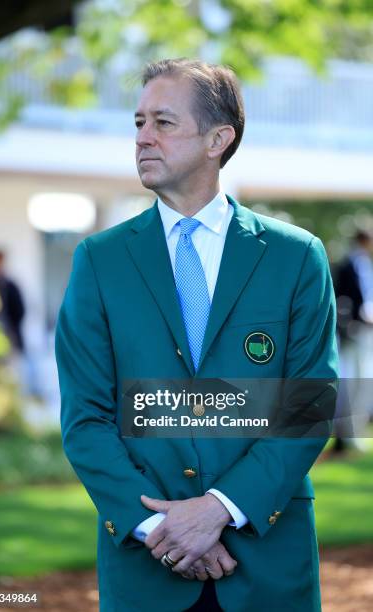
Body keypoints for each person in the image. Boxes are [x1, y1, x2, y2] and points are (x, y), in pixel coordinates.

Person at [55, 59, 338, 612]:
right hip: (145, 574)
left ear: (218, 139)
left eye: (162, 122)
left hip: (267, 567)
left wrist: (219, 508)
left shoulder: (296, 256)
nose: (142, 137)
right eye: (138, 123)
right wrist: (156, 527)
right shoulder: (99, 260)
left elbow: (311, 405)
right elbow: (85, 419)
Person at [333, 229, 373, 452]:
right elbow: (345, 299)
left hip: (366, 332)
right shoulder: (349, 263)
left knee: (364, 383)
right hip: (353, 332)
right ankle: (347, 435)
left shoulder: (365, 264)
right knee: (353, 384)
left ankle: (356, 432)